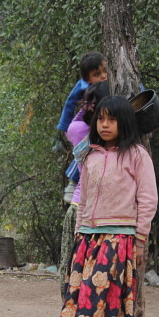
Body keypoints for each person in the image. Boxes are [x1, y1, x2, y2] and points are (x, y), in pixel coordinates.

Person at [34, 95, 157, 317]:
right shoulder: (89, 155)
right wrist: (79, 233)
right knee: (73, 297)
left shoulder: (137, 156)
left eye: (112, 119)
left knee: (91, 295)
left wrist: (140, 241)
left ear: (124, 122)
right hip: (88, 238)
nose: (104, 124)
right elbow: (84, 199)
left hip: (118, 237)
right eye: (101, 118)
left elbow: (148, 200)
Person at [57, 81, 110, 290]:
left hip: (100, 214)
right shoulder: (85, 134)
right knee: (76, 277)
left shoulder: (81, 127)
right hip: (84, 213)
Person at [57, 51, 108, 203]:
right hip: (85, 125)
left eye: (105, 71)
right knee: (85, 151)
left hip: (101, 124)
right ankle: (76, 184)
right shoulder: (84, 86)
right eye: (97, 74)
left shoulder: (116, 80)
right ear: (87, 79)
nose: (103, 76)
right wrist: (64, 125)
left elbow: (139, 87)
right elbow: (70, 102)